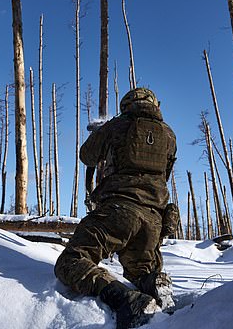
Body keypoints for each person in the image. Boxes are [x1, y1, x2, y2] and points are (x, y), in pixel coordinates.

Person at [54, 87, 177, 329]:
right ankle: (156, 286)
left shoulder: (117, 125)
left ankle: (123, 298)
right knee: (139, 270)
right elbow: (164, 174)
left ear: (126, 105)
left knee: (71, 260)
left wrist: (101, 133)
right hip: (153, 219)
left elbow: (86, 156)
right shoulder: (169, 135)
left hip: (118, 211)